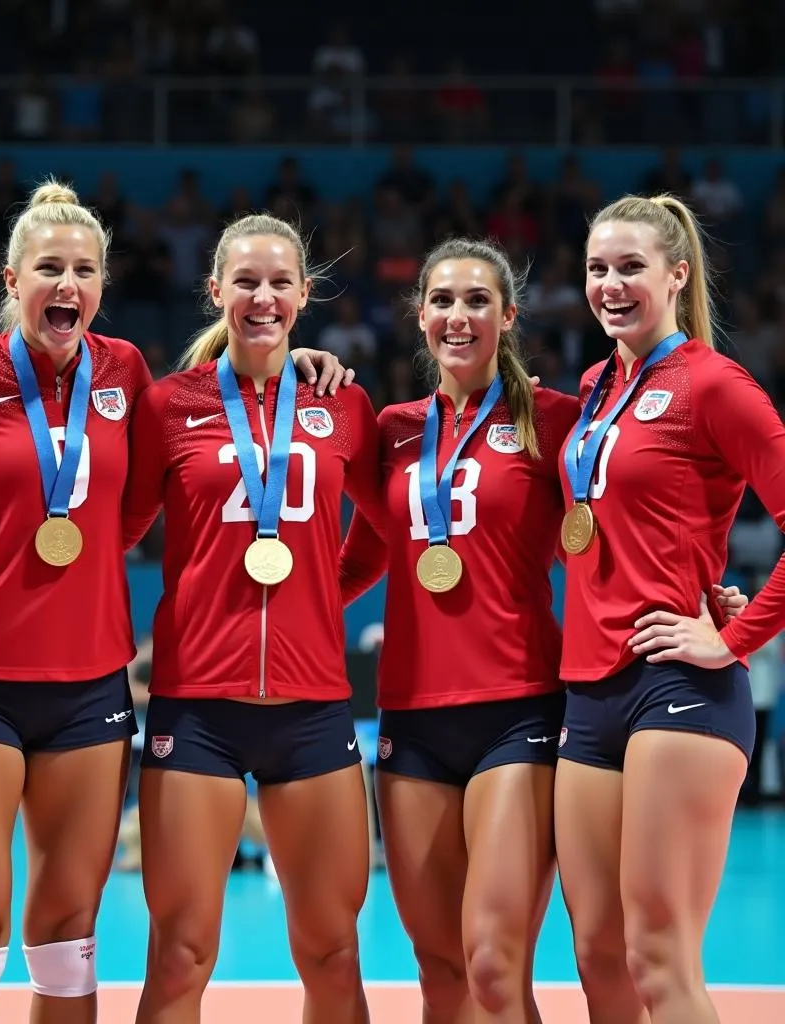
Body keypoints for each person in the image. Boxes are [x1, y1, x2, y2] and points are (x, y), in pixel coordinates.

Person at [0, 183, 350, 1024]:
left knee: (70, 934)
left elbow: (138, 501)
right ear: (10, 277)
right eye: (48, 269)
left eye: (84, 270)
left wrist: (94, 540)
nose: (66, 285)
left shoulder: (123, 370)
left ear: (102, 285)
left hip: (90, 690)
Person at [122, 212, 385, 1024]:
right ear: (216, 291)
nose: (263, 297)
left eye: (279, 283)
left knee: (334, 954)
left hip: (310, 712)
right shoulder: (169, 406)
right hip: (196, 710)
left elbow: (384, 528)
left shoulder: (342, 404)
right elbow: (113, 535)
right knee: (179, 954)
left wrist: (312, 596)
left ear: (305, 295)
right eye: (246, 281)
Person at [555, 194, 785, 1024]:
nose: (610, 285)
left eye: (630, 268)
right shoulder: (593, 387)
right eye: (596, 269)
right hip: (589, 685)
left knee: (659, 957)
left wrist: (733, 636)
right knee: (598, 959)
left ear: (677, 276)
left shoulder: (717, 386)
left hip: (678, 686)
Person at [338, 236, 577, 1024]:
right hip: (412, 716)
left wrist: (702, 588)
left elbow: (632, 510)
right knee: (440, 971)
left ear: (508, 317)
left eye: (478, 301)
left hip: (517, 709)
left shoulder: (554, 419)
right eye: (442, 300)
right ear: (420, 316)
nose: (458, 316)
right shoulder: (393, 430)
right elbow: (364, 556)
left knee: (493, 964)